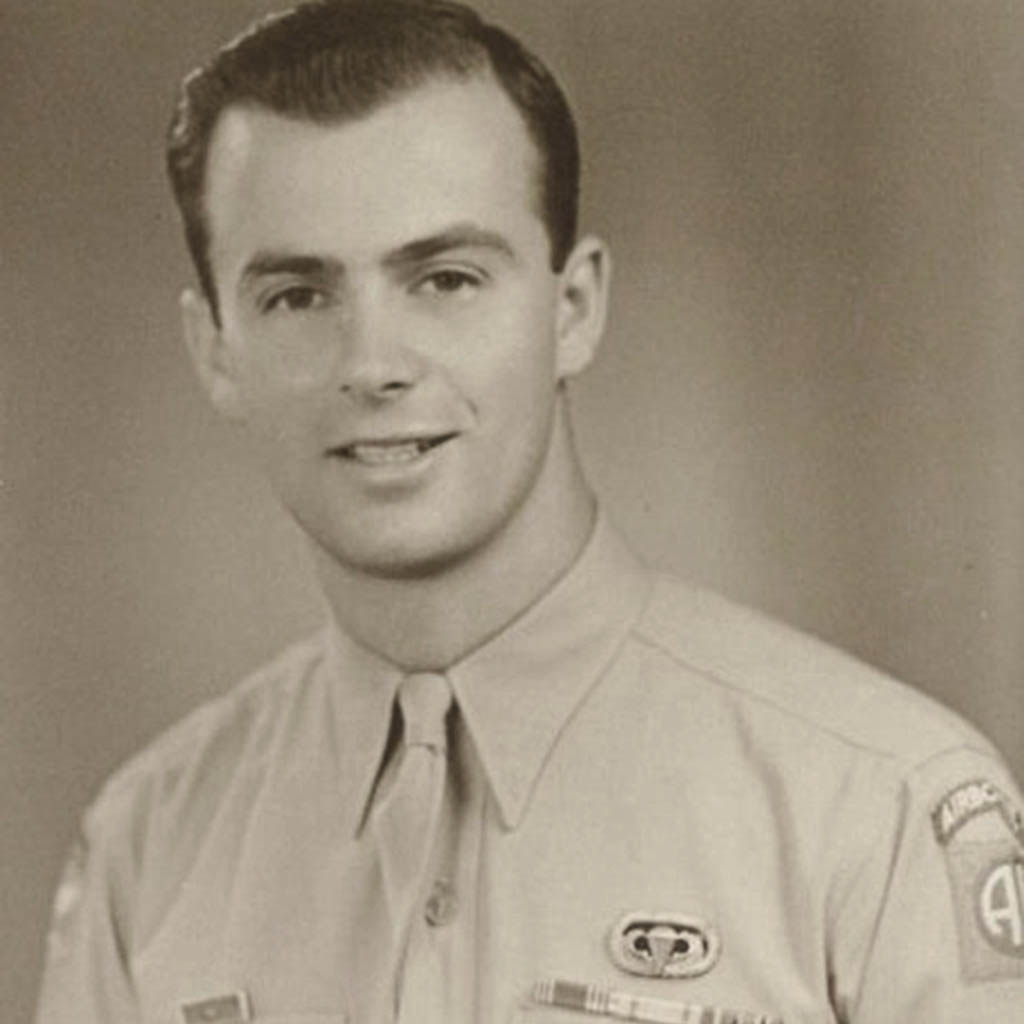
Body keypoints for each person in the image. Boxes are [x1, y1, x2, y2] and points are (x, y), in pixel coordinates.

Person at [34, 2, 1024, 1022]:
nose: (372, 364)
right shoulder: (146, 850)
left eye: (445, 279)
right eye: (297, 295)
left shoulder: (878, 807)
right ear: (214, 350)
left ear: (573, 309)